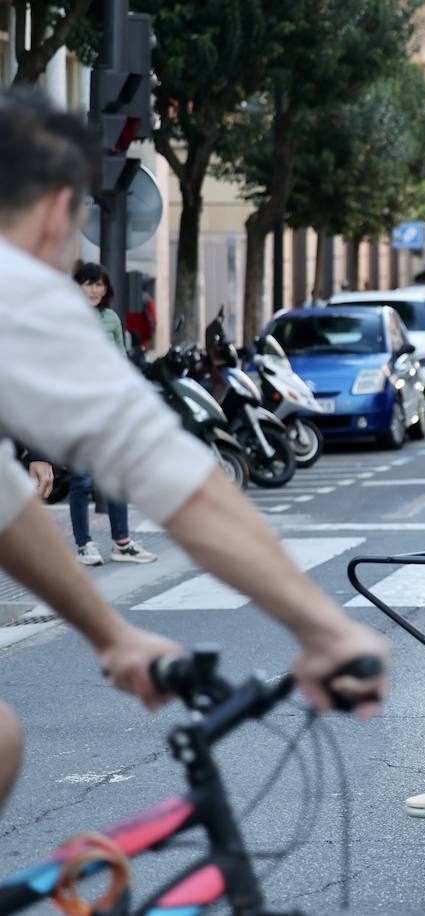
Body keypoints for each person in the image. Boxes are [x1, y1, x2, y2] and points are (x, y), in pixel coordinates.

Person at [0, 90, 389, 812]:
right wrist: (326, 628)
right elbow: (174, 476)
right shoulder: (17, 288)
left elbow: (8, 508)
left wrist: (109, 632)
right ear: (59, 211)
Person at [67, 261, 157, 566]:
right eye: (88, 283)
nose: (94, 290)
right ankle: (84, 544)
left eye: (99, 284)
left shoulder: (111, 319)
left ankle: (122, 543)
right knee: (81, 481)